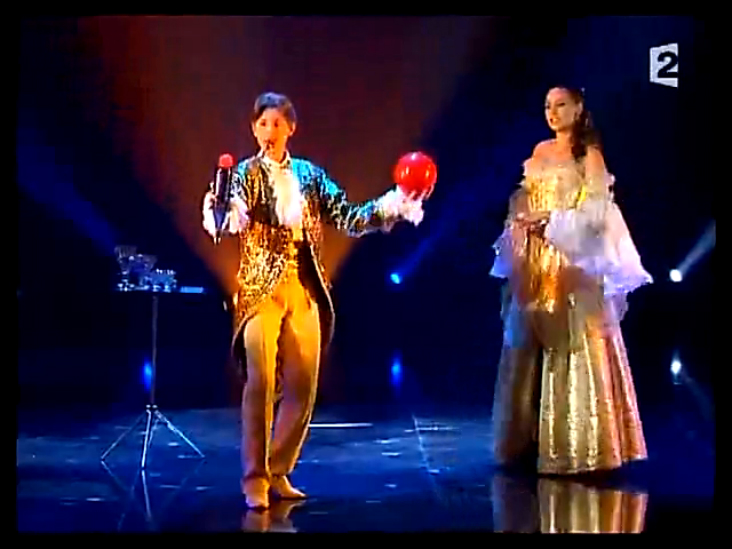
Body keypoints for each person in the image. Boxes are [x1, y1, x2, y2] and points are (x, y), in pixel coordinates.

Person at [202, 92, 429, 508]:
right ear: (253, 129)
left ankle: (277, 469)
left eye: (277, 123)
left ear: (291, 128)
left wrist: (396, 202)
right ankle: (253, 477)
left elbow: (349, 217)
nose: (269, 131)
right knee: (261, 380)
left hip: (303, 286)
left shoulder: (310, 176)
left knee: (304, 383)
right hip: (260, 290)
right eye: (262, 123)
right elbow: (227, 216)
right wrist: (222, 207)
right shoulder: (245, 174)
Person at [489, 86, 653, 476]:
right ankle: (527, 442)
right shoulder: (540, 150)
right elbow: (524, 198)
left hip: (571, 261)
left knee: (575, 342)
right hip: (536, 261)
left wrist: (551, 221)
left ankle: (579, 446)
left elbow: (597, 214)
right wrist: (522, 220)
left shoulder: (589, 156)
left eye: (561, 105)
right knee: (527, 343)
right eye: (547, 105)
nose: (552, 112)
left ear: (578, 109)